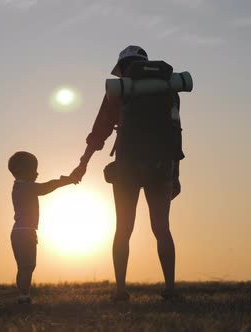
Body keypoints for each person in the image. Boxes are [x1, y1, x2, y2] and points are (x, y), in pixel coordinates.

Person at [70, 45, 184, 301]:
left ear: (122, 69)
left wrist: (83, 163)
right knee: (162, 228)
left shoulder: (119, 91)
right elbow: (175, 132)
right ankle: (170, 289)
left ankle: (121, 290)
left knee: (123, 228)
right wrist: (175, 174)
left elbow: (100, 130)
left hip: (127, 165)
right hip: (162, 164)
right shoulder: (168, 90)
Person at [8, 151, 75, 304]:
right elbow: (45, 188)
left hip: (20, 231)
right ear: (22, 171)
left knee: (24, 266)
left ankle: (23, 294)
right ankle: (24, 296)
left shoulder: (19, 187)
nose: (37, 173)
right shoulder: (24, 187)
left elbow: (43, 187)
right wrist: (63, 181)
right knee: (28, 265)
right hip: (25, 232)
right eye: (33, 169)